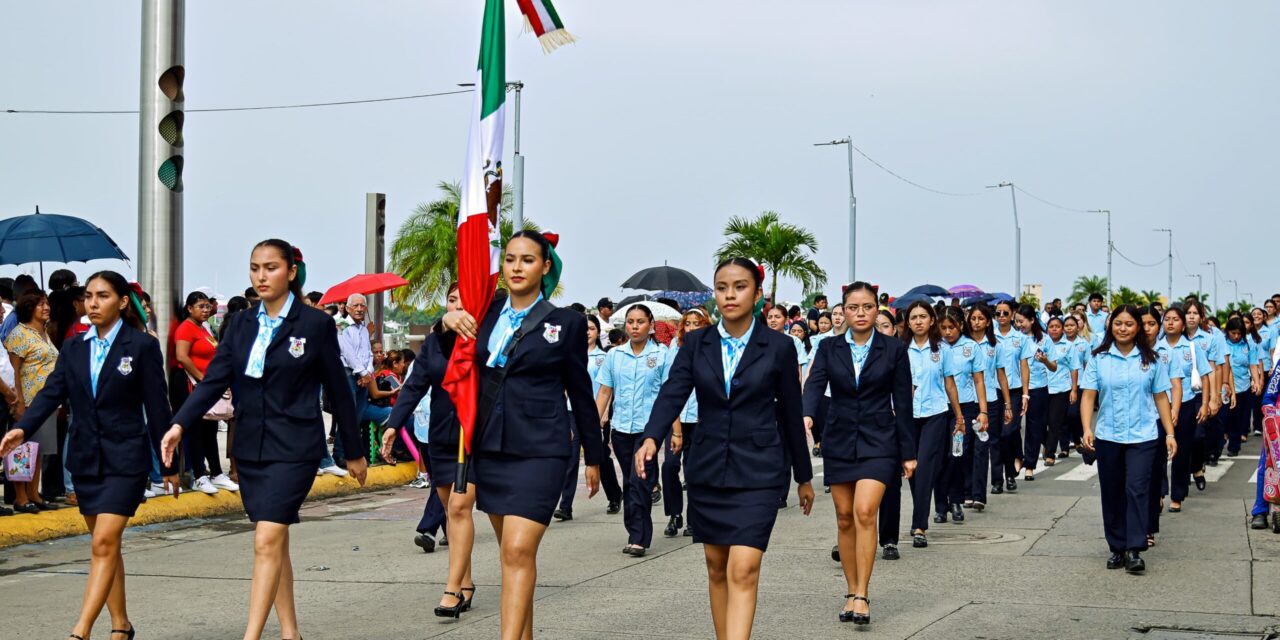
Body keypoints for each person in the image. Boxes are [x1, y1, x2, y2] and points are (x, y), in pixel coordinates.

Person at [163, 240, 368, 640]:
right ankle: (290, 632)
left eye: (271, 267)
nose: (261, 275)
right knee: (274, 541)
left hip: (295, 448)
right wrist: (179, 424)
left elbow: (339, 392)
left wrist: (355, 453)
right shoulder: (240, 324)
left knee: (266, 539)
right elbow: (215, 381)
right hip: (251, 449)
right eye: (255, 267)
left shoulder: (315, 325)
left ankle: (251, 636)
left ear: (290, 272)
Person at [634, 257, 814, 640]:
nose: (730, 294)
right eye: (722, 287)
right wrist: (652, 436)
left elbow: (791, 413)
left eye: (740, 286)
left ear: (758, 294)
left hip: (760, 471)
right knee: (717, 567)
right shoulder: (697, 343)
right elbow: (673, 393)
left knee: (743, 569)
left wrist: (803, 477)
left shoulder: (779, 347)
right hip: (709, 467)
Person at [442, 231, 603, 640]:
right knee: (514, 557)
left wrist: (594, 457)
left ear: (545, 267)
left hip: (541, 450)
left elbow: (581, 393)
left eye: (527, 260)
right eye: (510, 259)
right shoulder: (486, 310)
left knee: (516, 551)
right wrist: (447, 320)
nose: (516, 267)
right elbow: (447, 354)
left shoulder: (565, 322)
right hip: (490, 448)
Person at [0, 271, 175, 640]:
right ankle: (121, 626)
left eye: (103, 296)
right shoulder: (76, 347)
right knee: (107, 547)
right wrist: (21, 429)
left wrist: (173, 465)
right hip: (85, 457)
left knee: (102, 544)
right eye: (90, 296)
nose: (93, 303)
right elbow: (51, 393)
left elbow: (158, 408)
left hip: (126, 457)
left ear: (122, 302)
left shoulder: (140, 347)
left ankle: (80, 631)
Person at [803, 281, 914, 625]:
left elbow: (903, 402)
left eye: (867, 307)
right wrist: (806, 415)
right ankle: (850, 590)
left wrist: (908, 451)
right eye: (853, 307)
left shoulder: (893, 349)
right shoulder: (828, 348)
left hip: (880, 439)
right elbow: (814, 385)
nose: (861, 313)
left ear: (876, 310)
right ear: (843, 311)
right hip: (839, 439)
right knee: (845, 517)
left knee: (865, 512)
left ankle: (863, 593)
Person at [381, 283, 482, 616]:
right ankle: (465, 581)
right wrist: (394, 424)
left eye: (464, 301)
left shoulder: (487, 341)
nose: (457, 307)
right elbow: (414, 386)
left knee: (459, 507)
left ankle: (451, 590)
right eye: (452, 300)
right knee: (450, 511)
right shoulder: (434, 344)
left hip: (475, 436)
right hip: (439, 435)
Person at [1080, 305, 1177, 573]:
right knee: (1112, 491)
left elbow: (1160, 397)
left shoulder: (1151, 360)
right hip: (1108, 434)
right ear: (1111, 326)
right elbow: (1089, 395)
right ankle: (1117, 547)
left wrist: (1169, 433)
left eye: (1129, 324)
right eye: (1118, 324)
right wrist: (1087, 428)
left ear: (1139, 328)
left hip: (1143, 435)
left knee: (1137, 489)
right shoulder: (1099, 359)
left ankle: (1134, 548)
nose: (1123, 329)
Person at [595, 304, 668, 556]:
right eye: (630, 322)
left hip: (648, 431)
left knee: (640, 481)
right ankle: (633, 529)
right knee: (630, 482)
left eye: (640, 322)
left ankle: (639, 537)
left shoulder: (661, 354)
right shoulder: (615, 356)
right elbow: (605, 391)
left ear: (651, 326)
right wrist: (594, 426)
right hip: (621, 429)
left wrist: (676, 430)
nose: (634, 326)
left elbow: (670, 395)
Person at [899, 301, 960, 544]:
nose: (918, 321)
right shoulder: (900, 349)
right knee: (911, 469)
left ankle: (919, 526)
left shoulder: (942, 350)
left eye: (923, 316)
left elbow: (949, 384)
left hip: (935, 413)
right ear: (908, 323)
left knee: (924, 466)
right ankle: (920, 512)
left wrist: (960, 416)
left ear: (931, 320)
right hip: (908, 416)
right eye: (914, 317)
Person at [557, 313, 623, 519]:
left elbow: (607, 389)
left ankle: (614, 494)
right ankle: (565, 506)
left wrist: (603, 414)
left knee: (600, 456)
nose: (587, 332)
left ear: (597, 332)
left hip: (595, 414)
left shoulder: (603, 358)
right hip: (570, 412)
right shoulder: (569, 354)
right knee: (571, 456)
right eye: (584, 329)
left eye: (591, 329)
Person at [174, 290, 239, 495]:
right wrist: (202, 379)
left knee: (210, 431)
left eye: (207, 306)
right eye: (200, 306)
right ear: (189, 308)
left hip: (209, 387)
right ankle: (199, 476)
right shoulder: (186, 328)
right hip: (192, 386)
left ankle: (217, 473)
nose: (205, 310)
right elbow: (182, 357)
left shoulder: (204, 328)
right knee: (196, 432)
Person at [4, 288, 62, 513]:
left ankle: (33, 494)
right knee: (22, 449)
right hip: (28, 400)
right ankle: (20, 497)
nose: (46, 307)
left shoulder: (44, 333)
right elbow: (14, 370)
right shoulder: (19, 334)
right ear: (29, 308)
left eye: (46, 303)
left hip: (46, 401)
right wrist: (17, 401)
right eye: (40, 304)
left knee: (38, 450)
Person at [661, 307, 710, 538]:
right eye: (687, 323)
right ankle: (674, 514)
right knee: (670, 465)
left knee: (694, 471)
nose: (691, 328)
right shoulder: (675, 348)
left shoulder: (712, 349)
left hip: (701, 419)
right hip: (677, 419)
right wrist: (676, 429)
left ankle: (694, 518)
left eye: (696, 323)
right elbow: (671, 388)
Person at [1159, 306, 1211, 512]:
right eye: (1167, 319)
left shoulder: (1191, 347)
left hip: (1187, 403)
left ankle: (1177, 495)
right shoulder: (1155, 347)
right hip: (1159, 405)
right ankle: (1159, 491)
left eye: (1175, 319)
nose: (1170, 323)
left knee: (1182, 450)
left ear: (1183, 324)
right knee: (1157, 450)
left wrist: (1206, 403)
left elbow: (1205, 375)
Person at [938, 306, 989, 515]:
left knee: (957, 453)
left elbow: (979, 380)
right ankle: (941, 505)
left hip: (965, 408)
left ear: (960, 325)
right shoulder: (936, 346)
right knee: (940, 457)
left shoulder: (971, 347)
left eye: (951, 327)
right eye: (943, 328)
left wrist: (983, 411)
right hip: (939, 407)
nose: (948, 332)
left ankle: (956, 499)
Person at [967, 304, 1007, 505]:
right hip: (966, 402)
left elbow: (1001, 374)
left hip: (989, 401)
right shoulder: (962, 344)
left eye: (980, 318)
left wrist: (1007, 403)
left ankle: (978, 495)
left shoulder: (995, 345)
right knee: (965, 447)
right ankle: (965, 491)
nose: (976, 322)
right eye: (973, 318)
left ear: (988, 321)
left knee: (983, 446)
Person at [992, 300, 1031, 492]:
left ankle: (1010, 472)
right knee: (995, 436)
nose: (1001, 317)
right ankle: (998, 479)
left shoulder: (1021, 338)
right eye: (998, 313)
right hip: (993, 390)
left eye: (1005, 313)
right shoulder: (990, 337)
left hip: (1014, 390)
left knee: (1008, 432)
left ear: (1012, 314)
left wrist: (1025, 393)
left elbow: (1024, 366)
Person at [1016, 304, 1057, 481]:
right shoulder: (1013, 338)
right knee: (1011, 428)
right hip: (1015, 388)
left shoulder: (1044, 340)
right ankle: (1017, 456)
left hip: (1038, 387)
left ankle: (1029, 465)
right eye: (1016, 321)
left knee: (1034, 427)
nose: (1019, 325)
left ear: (1032, 320)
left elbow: (1054, 367)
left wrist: (1045, 360)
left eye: (1022, 321)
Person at [1224, 316, 1264, 457]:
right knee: (1225, 418)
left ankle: (1234, 447)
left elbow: (1253, 365)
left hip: (1243, 386)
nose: (1236, 336)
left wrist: (1257, 382)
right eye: (1233, 333)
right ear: (1228, 331)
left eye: (1239, 333)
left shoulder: (1248, 344)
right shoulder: (1222, 343)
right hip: (1225, 388)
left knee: (1239, 418)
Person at [1042, 316, 1080, 464]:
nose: (1054, 329)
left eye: (1058, 326)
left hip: (1061, 388)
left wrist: (1074, 389)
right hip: (1042, 387)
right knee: (1039, 423)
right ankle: (1046, 443)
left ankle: (1050, 454)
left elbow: (1074, 368)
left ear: (1062, 328)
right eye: (1051, 327)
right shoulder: (1041, 343)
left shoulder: (1068, 346)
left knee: (1054, 422)